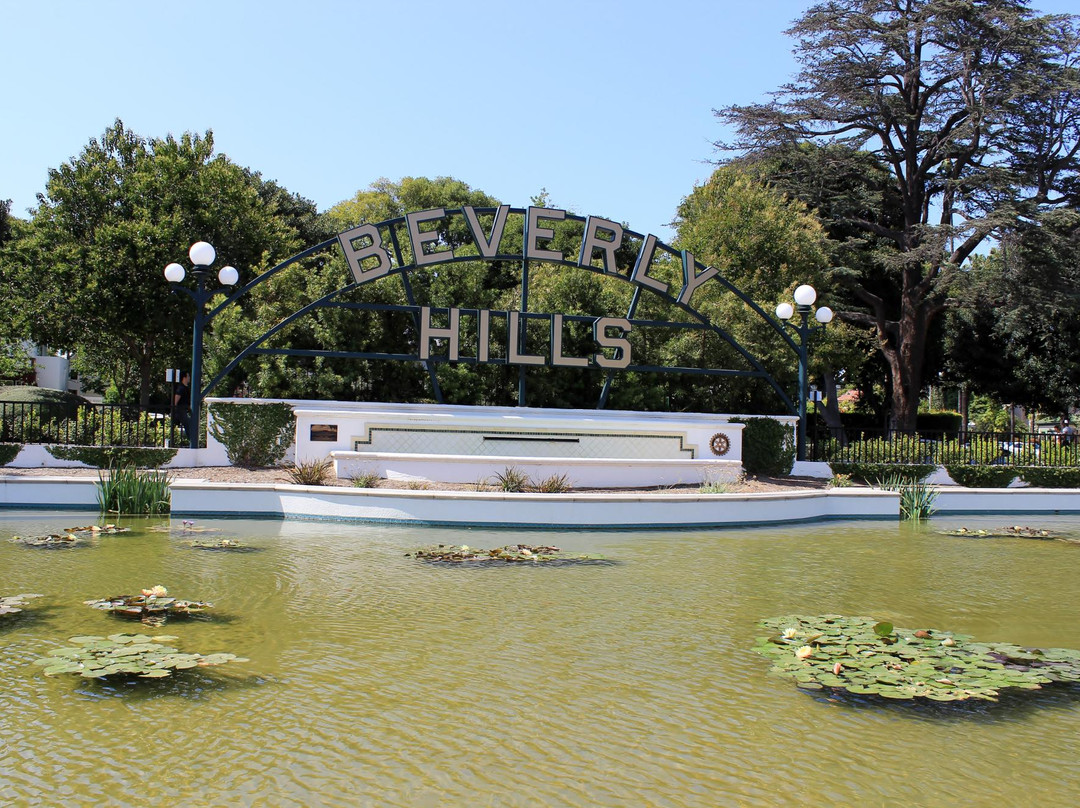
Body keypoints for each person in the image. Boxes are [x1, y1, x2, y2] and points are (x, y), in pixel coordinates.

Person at [173, 371, 192, 441]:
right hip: (181, 409)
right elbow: (176, 397)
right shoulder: (181, 388)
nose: (189, 378)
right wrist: (174, 408)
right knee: (187, 424)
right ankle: (191, 440)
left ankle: (190, 439)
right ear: (184, 378)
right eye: (188, 376)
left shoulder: (186, 388)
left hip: (185, 409)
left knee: (188, 424)